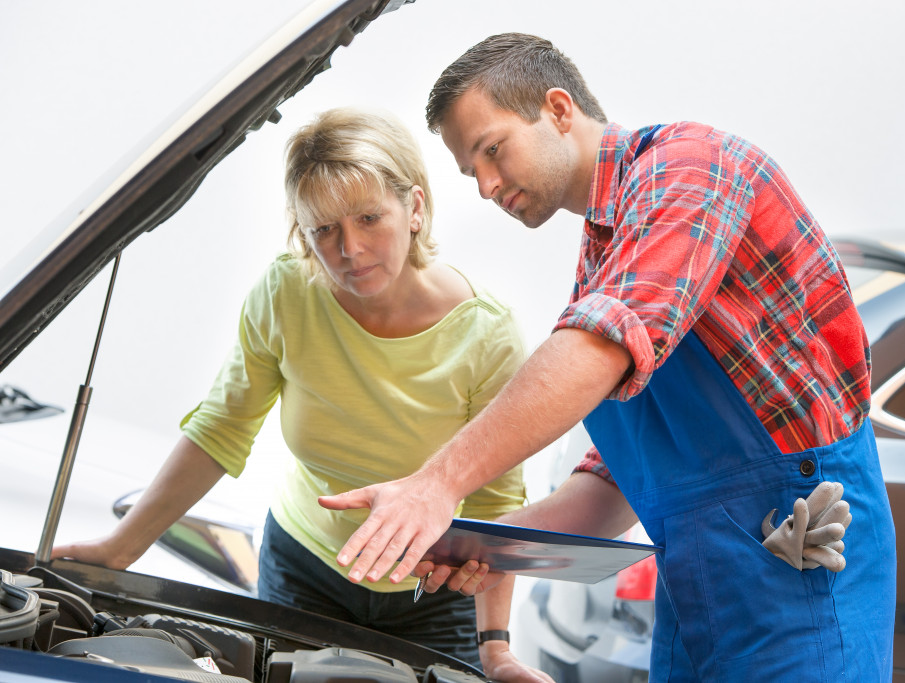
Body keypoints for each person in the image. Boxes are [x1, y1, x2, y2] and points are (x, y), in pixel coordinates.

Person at [316, 34, 898, 682]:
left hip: (800, 576)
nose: (484, 185)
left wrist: (437, 483)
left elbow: (600, 344)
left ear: (559, 109)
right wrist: (493, 543)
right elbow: (619, 479)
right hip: (700, 598)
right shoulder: (605, 257)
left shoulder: (691, 168)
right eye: (469, 171)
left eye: (492, 149)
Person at [52, 106, 553, 682]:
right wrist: (121, 549)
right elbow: (221, 428)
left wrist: (495, 649)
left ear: (415, 208)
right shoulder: (287, 292)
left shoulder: (485, 332)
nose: (349, 249)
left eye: (369, 218)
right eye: (324, 229)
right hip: (303, 570)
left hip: (433, 593)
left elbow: (494, 502)